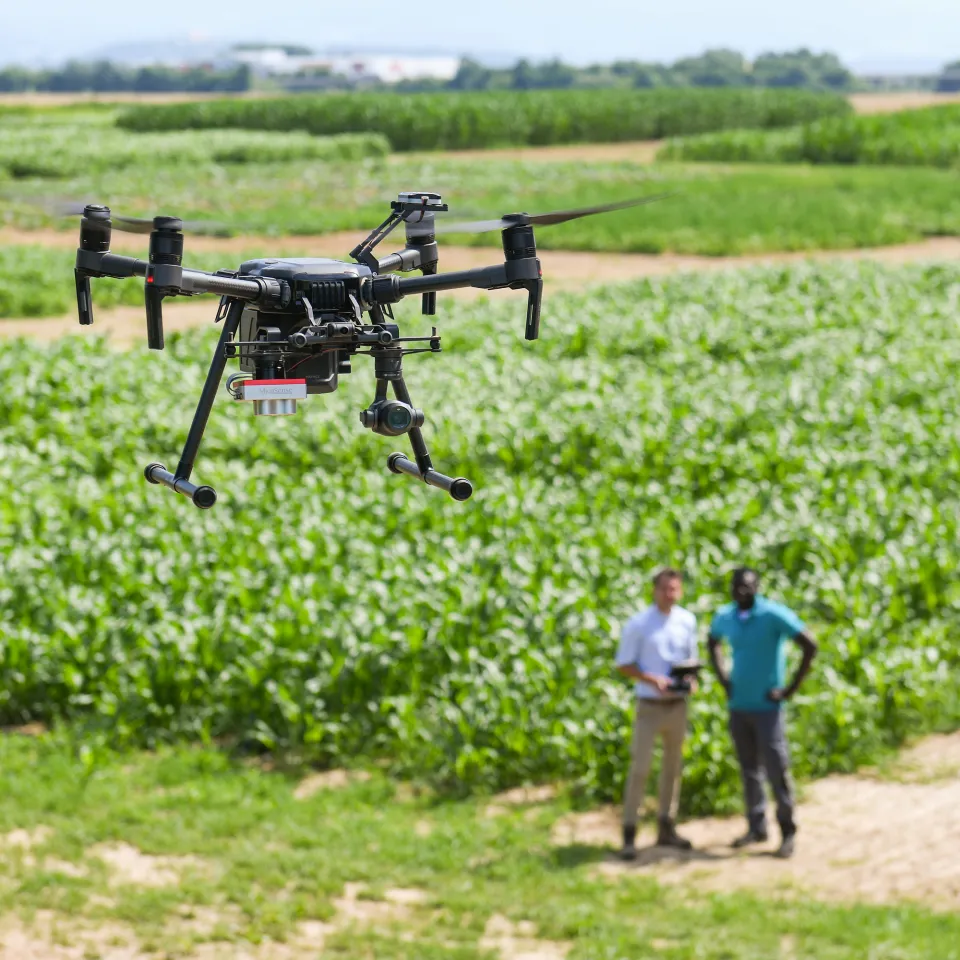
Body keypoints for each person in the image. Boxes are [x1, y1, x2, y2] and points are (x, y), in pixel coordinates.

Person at [707, 567, 817, 860]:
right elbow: (712, 641)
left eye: (747, 586)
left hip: (768, 708)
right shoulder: (726, 616)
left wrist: (789, 689)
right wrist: (723, 678)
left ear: (757, 587)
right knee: (749, 770)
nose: (741, 591)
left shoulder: (772, 615)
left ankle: (787, 830)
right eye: (736, 586)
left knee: (776, 769)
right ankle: (757, 827)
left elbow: (809, 644)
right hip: (739, 706)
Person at [615, 567, 699, 860]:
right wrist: (653, 680)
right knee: (640, 769)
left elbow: (690, 658)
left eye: (675, 589)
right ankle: (630, 832)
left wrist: (691, 680)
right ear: (654, 590)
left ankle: (666, 826)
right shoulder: (639, 624)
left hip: (677, 705)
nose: (670, 594)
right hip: (650, 706)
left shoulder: (687, 621)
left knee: (673, 768)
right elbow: (624, 664)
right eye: (665, 589)